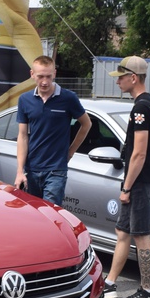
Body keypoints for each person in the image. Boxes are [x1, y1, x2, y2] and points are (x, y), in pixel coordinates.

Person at [103, 56, 150, 298]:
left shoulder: (141, 108)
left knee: (140, 234)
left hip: (140, 180)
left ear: (134, 78)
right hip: (143, 178)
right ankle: (110, 282)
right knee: (123, 231)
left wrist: (126, 187)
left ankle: (146, 292)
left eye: (121, 77)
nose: (118, 82)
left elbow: (139, 153)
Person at [14, 55, 91, 205]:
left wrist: (70, 152)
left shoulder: (68, 98)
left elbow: (86, 124)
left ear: (54, 73)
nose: (45, 81)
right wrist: (19, 171)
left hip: (56, 170)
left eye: (48, 76)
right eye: (40, 76)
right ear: (32, 74)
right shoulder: (24, 100)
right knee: (33, 213)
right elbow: (22, 136)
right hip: (32, 169)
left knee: (50, 213)